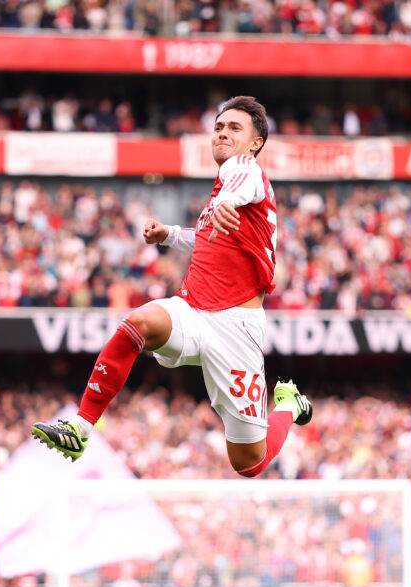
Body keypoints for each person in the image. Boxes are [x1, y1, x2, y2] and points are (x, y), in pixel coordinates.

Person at [32, 96, 312, 477]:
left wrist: (227, 200)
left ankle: (289, 405)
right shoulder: (224, 188)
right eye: (218, 127)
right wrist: (169, 235)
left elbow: (240, 183)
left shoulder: (244, 171)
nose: (222, 134)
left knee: (249, 464)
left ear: (255, 143)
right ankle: (80, 428)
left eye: (234, 128)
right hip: (194, 310)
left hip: (236, 328)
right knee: (139, 322)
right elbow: (211, 236)